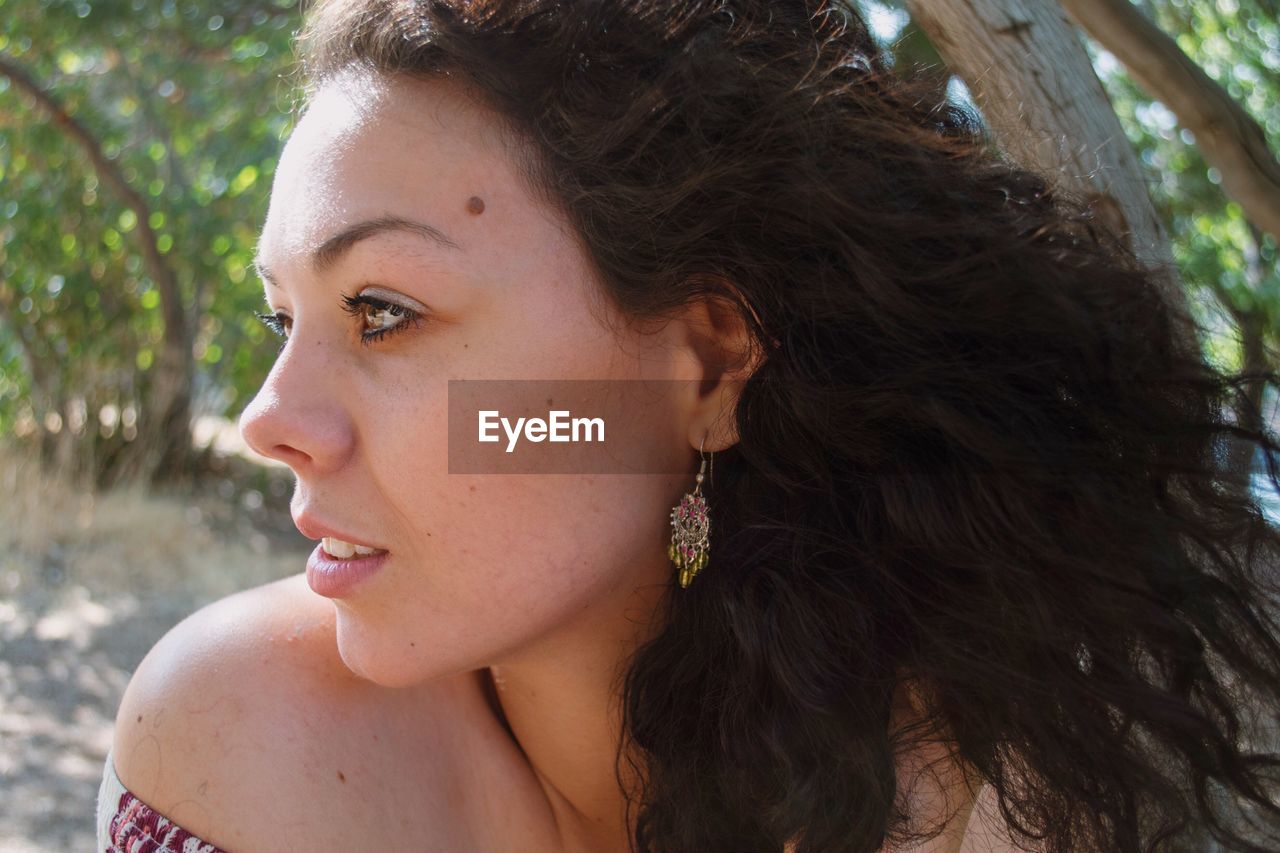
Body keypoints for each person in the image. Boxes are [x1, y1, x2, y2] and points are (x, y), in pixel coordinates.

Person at [97, 1, 1280, 851]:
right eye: (278, 316)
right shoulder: (248, 737)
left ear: (707, 368)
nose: (267, 419)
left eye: (384, 312)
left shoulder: (975, 797)